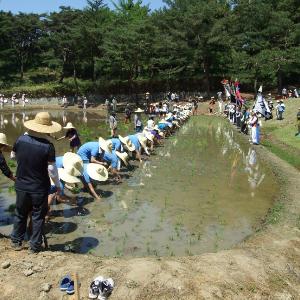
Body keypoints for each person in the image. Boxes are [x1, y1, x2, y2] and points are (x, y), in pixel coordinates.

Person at [11, 112, 62, 253]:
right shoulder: (48, 146)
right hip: (39, 187)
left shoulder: (20, 139)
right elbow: (52, 169)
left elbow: (13, 156)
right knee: (38, 217)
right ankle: (34, 247)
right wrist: (57, 186)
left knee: (20, 213)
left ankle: (16, 241)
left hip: (21, 184)